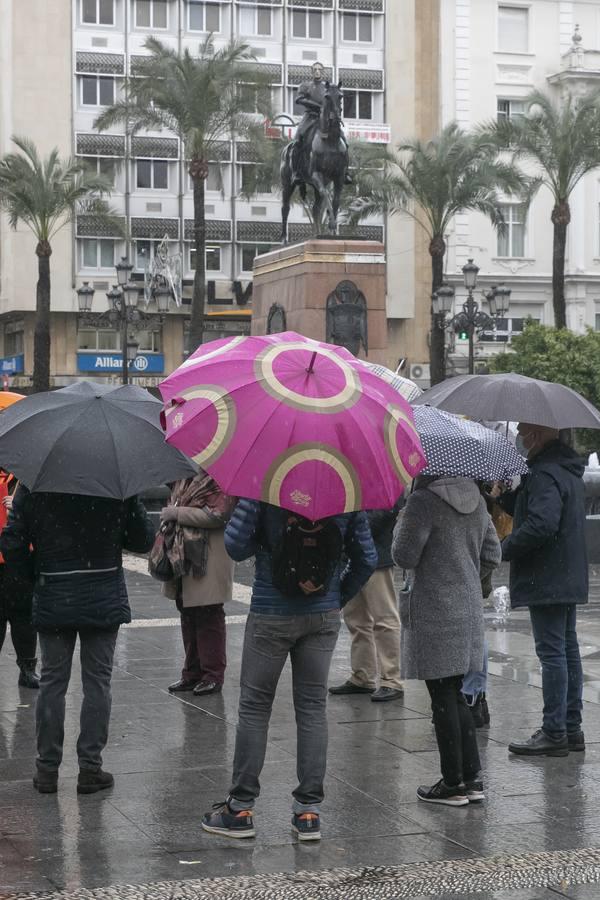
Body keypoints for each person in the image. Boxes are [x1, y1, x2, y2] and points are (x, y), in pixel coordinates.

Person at [202, 500, 377, 841]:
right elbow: (367, 559)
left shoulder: (268, 480)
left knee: (254, 707)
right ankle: (308, 812)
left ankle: (240, 809)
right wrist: (336, 595)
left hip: (271, 611)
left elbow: (236, 546)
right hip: (322, 614)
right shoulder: (345, 487)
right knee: (312, 707)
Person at [0, 487, 154, 795]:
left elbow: (12, 540)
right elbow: (142, 540)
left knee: (53, 682)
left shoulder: (37, 482)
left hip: (54, 591)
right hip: (102, 590)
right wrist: (130, 506)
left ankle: (46, 770)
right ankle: (90, 768)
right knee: (97, 682)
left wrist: (35, 573)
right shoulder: (115, 484)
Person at [392, 476, 501, 807]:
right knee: (456, 693)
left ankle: (453, 783)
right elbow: (493, 554)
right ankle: (472, 779)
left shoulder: (423, 502)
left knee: (442, 694)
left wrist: (401, 522)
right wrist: (467, 575)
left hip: (434, 609)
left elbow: (404, 555)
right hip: (466, 608)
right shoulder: (478, 501)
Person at [496, 424, 587, 757]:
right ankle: (571, 728)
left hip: (548, 577)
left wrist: (501, 549)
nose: (519, 431)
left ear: (537, 433)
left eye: (524, 427)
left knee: (553, 655)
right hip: (565, 574)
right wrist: (504, 496)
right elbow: (535, 509)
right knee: (566, 650)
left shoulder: (545, 472)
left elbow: (541, 524)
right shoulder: (562, 468)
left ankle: (554, 731)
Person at [162, 471, 235, 697]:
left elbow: (218, 515)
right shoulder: (182, 474)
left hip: (208, 558)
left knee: (208, 613)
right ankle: (191, 672)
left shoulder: (221, 476)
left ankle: (212, 674)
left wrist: (176, 513)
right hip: (183, 554)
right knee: (186, 612)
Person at [329, 502, 404, 702]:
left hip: (376, 552)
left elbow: (388, 507)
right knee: (356, 619)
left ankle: (391, 679)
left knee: (384, 617)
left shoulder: (384, 472)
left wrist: (354, 530)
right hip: (351, 554)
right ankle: (363, 675)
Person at [0, 471, 39, 688]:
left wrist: (18, 505)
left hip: (19, 555)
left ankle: (27, 668)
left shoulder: (27, 474)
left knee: (24, 615)